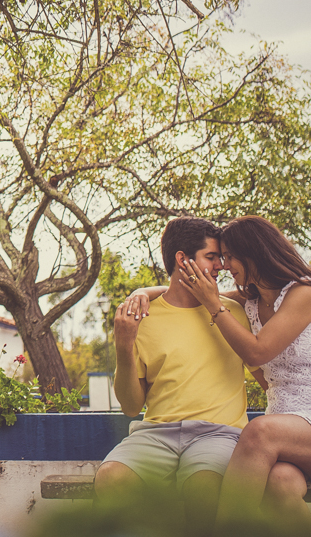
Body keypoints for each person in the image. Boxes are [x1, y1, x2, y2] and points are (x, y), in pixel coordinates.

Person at [170, 215, 311, 526]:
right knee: (280, 486)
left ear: (254, 253)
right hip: (291, 432)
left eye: (229, 256)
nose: (226, 265)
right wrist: (139, 294)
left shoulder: (305, 294)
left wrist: (214, 306)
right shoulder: (251, 300)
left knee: (259, 431)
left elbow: (258, 351)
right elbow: (186, 294)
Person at [95, 216, 261, 530]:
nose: (220, 266)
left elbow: (274, 376)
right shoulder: (142, 318)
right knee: (110, 478)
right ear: (182, 260)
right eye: (211, 258)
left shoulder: (233, 313)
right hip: (156, 435)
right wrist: (124, 345)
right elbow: (132, 406)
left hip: (219, 434)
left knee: (204, 489)